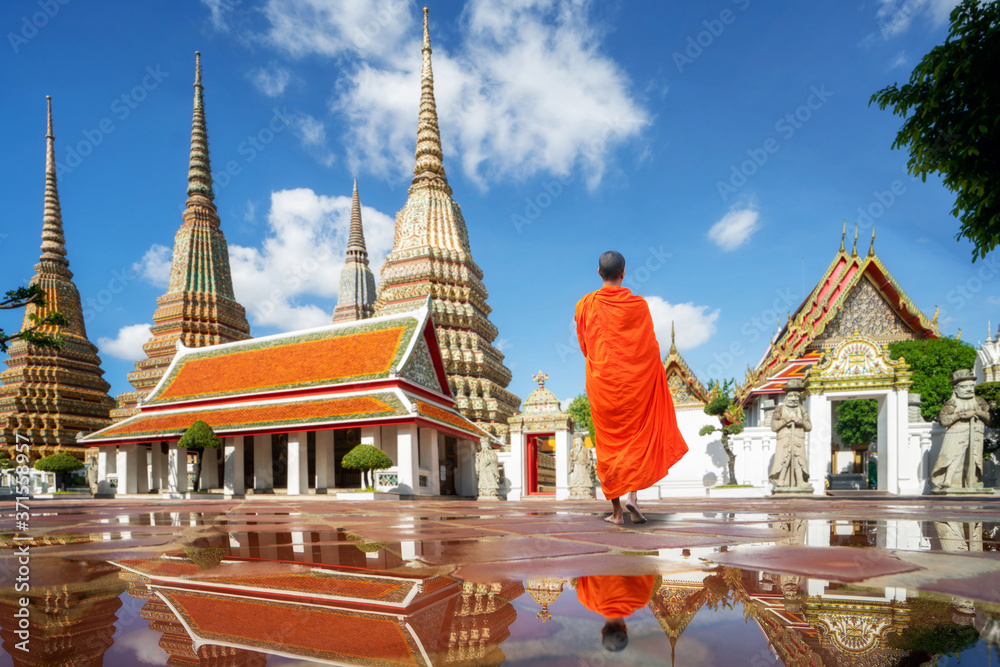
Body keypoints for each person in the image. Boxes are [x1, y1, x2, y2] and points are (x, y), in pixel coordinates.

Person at [575, 251, 688, 524]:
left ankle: (616, 514)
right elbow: (649, 348)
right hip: (635, 385)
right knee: (636, 437)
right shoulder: (638, 305)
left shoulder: (584, 305)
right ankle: (633, 498)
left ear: (598, 272)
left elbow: (585, 345)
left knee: (609, 445)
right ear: (624, 273)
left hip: (603, 384)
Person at [932, 369, 991, 490]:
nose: (969, 389)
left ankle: (972, 481)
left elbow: (990, 418)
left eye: (971, 386)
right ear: (955, 389)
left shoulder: (979, 401)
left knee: (973, 457)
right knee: (952, 456)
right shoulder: (952, 403)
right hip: (956, 433)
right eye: (964, 387)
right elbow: (943, 421)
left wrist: (976, 412)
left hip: (976, 432)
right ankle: (948, 480)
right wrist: (960, 415)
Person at [576, 574, 656, 652]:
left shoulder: (641, 600)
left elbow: (649, 569)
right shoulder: (587, 600)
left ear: (625, 628)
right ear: (602, 631)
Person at [769, 378, 812, 489]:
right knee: (784, 459)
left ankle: (800, 481)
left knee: (798, 460)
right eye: (791, 396)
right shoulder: (780, 409)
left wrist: (800, 422)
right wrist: (785, 421)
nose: (794, 399)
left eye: (796, 396)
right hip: (784, 439)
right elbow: (773, 426)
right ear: (786, 397)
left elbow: (809, 426)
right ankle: (781, 479)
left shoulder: (802, 409)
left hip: (798, 438)